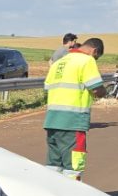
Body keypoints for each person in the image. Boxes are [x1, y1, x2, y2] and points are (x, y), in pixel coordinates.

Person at [43, 37, 106, 181]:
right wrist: (104, 92)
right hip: (72, 120)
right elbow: (96, 88)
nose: (95, 60)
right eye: (96, 57)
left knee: (53, 165)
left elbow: (47, 88)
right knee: (74, 166)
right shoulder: (87, 60)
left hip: (52, 120)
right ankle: (72, 193)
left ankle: (51, 192)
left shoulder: (59, 63)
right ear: (94, 51)